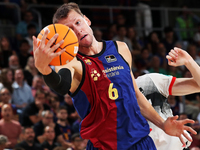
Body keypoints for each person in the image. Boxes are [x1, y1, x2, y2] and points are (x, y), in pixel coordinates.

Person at [33, 3, 196, 150]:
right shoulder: (72, 63)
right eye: (70, 30)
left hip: (140, 142)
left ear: (86, 20)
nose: (77, 30)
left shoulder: (120, 48)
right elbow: (61, 85)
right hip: (105, 146)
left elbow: (136, 97)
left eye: (78, 23)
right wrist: (44, 68)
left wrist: (162, 124)